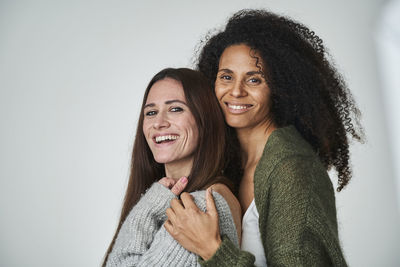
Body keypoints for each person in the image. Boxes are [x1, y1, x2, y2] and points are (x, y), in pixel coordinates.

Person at [164, 9, 364, 266]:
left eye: (254, 80)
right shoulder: (231, 160)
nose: (236, 91)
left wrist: (213, 250)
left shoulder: (292, 168)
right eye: (226, 77)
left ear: (280, 88)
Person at [102, 68, 242, 266]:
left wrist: (147, 210)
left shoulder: (200, 206)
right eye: (151, 112)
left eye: (175, 109)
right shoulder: (185, 200)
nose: (158, 123)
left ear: (205, 120)